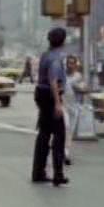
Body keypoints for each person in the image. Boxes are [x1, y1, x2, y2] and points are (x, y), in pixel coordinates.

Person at [31, 28, 69, 186]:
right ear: (63, 41)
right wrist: (58, 103)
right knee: (59, 135)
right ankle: (58, 174)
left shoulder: (46, 54)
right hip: (50, 95)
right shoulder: (55, 58)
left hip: (41, 93)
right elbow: (54, 80)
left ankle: (38, 171)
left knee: (44, 134)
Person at [63, 55, 86, 165]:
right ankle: (63, 152)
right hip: (63, 106)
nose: (70, 65)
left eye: (72, 63)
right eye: (68, 63)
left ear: (76, 65)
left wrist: (79, 88)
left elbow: (85, 89)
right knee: (66, 127)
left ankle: (65, 152)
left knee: (70, 132)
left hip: (74, 107)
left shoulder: (78, 76)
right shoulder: (62, 76)